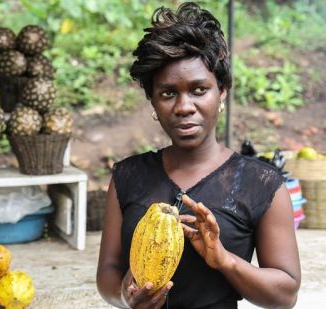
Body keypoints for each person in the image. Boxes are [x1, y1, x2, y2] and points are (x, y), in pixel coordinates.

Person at [96, 2, 301, 309]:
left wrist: (224, 260)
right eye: (167, 93)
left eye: (199, 90)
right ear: (152, 101)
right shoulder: (127, 177)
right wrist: (126, 297)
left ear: (222, 92)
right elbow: (107, 276)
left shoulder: (262, 185)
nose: (183, 106)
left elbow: (285, 296)